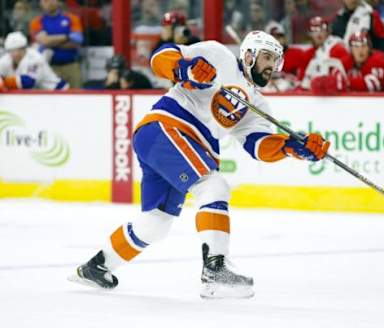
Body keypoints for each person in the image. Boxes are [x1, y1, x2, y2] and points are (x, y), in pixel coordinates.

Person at [69, 31, 330, 299]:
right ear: (249, 55)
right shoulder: (219, 55)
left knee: (156, 223)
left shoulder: (258, 104)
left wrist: (293, 147)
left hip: (168, 143)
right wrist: (185, 68)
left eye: (276, 61)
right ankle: (215, 269)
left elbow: (258, 145)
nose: (272, 66)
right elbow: (160, 57)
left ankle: (97, 266)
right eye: (267, 57)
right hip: (165, 128)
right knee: (213, 185)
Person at [312, 31, 384, 93]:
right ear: (351, 49)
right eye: (356, 46)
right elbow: (337, 69)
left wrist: (346, 83)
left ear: (369, 48)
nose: (360, 50)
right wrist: (325, 82)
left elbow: (372, 85)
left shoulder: (378, 59)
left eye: (363, 46)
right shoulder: (349, 59)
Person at [30, 0, 84, 88]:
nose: (50, 3)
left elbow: (77, 42)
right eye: (46, 1)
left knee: (77, 96)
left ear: (58, 2)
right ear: (41, 3)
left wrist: (50, 41)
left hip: (72, 65)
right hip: (49, 68)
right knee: (53, 99)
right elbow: (44, 42)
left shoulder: (72, 18)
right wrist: (67, 36)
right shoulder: (36, 22)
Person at [0, 31, 68, 91]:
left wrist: (4, 82)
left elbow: (29, 82)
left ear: (24, 48)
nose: (14, 53)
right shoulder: (6, 59)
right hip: (39, 94)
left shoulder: (35, 57)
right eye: (11, 50)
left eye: (17, 50)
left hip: (57, 90)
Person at [300, 16, 349, 90]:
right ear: (310, 34)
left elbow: (344, 76)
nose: (318, 33)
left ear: (328, 31)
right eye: (315, 30)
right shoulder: (308, 53)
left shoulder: (337, 48)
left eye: (322, 29)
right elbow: (301, 80)